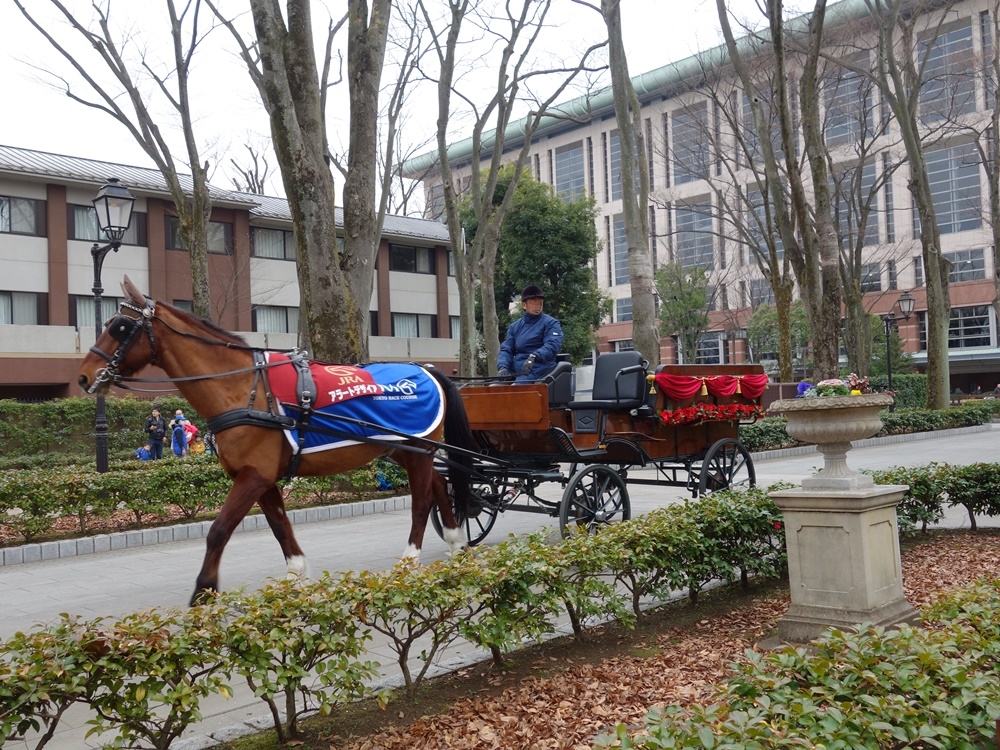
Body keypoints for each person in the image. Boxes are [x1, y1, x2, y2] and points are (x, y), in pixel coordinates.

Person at [497, 284, 564, 383]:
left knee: (516, 389)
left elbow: (552, 345)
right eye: (533, 303)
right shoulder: (515, 327)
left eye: (540, 303)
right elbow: (506, 349)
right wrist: (503, 367)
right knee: (493, 388)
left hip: (539, 368)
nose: (537, 307)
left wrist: (534, 356)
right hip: (518, 369)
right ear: (524, 305)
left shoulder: (551, 323)